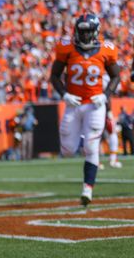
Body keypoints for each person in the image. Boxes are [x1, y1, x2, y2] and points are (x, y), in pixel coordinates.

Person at [50, 13, 120, 207]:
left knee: (91, 147)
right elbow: (54, 76)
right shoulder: (66, 49)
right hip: (73, 104)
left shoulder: (106, 50)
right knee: (68, 150)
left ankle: (87, 189)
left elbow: (116, 76)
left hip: (95, 104)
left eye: (89, 31)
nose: (85, 35)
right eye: (82, 31)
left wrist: (105, 95)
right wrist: (64, 94)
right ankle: (84, 138)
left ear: (96, 32)